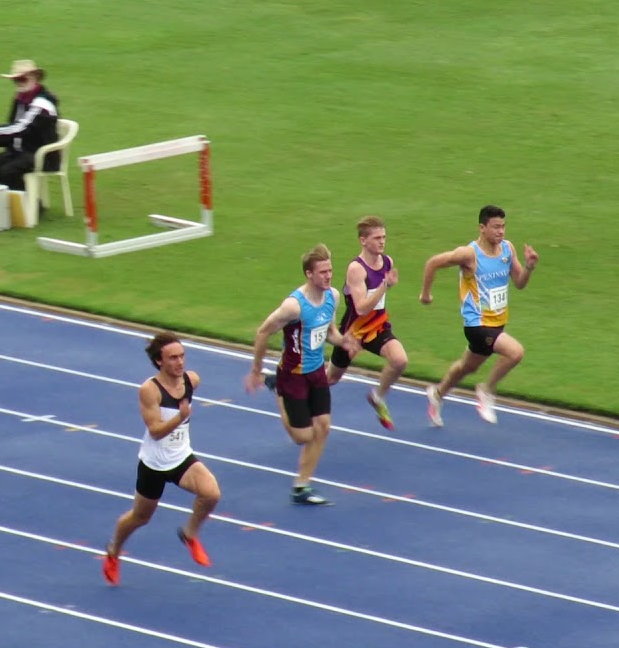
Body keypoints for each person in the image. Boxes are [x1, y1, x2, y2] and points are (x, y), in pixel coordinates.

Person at [102, 332, 221, 586]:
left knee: (211, 494)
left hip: (181, 458)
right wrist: (180, 417)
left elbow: (188, 390)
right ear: (159, 362)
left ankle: (189, 534)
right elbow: (155, 432)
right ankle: (113, 551)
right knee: (140, 517)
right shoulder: (149, 390)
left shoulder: (192, 380)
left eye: (182, 356)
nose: (180, 362)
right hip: (154, 464)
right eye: (173, 358)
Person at [244, 244, 357, 506]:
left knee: (324, 427)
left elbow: (328, 331)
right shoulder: (293, 306)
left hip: (316, 370)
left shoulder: (333, 297)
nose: (328, 276)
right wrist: (255, 370)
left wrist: (343, 342)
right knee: (302, 437)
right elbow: (263, 332)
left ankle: (302, 486)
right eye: (322, 272)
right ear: (309, 274)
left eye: (330, 271)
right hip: (292, 375)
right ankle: (277, 391)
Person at [419, 205, 538, 426]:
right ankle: (486, 391)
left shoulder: (507, 249)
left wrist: (529, 267)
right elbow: (433, 262)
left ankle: (437, 394)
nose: (501, 231)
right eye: (495, 227)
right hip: (477, 324)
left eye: (503, 226)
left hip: (497, 323)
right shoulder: (469, 254)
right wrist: (425, 294)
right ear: (482, 228)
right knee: (515, 353)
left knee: (467, 367)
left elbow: (519, 283)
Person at [325, 216, 408, 431]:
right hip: (354, 332)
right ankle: (295, 391)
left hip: (378, 327)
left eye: (384, 237)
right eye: (377, 238)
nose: (382, 242)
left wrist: (383, 287)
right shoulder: (356, 269)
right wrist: (384, 286)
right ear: (363, 241)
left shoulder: (387, 261)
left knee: (399, 361)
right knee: (331, 378)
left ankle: (377, 397)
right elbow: (361, 307)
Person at [0, 59, 60, 193]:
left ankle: (31, 206)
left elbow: (22, 128)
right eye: (16, 80)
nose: (19, 83)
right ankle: (4, 202)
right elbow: (15, 127)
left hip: (41, 155)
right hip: (21, 151)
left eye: (22, 79)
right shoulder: (20, 99)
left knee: (7, 172)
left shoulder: (42, 103)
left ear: (34, 78)